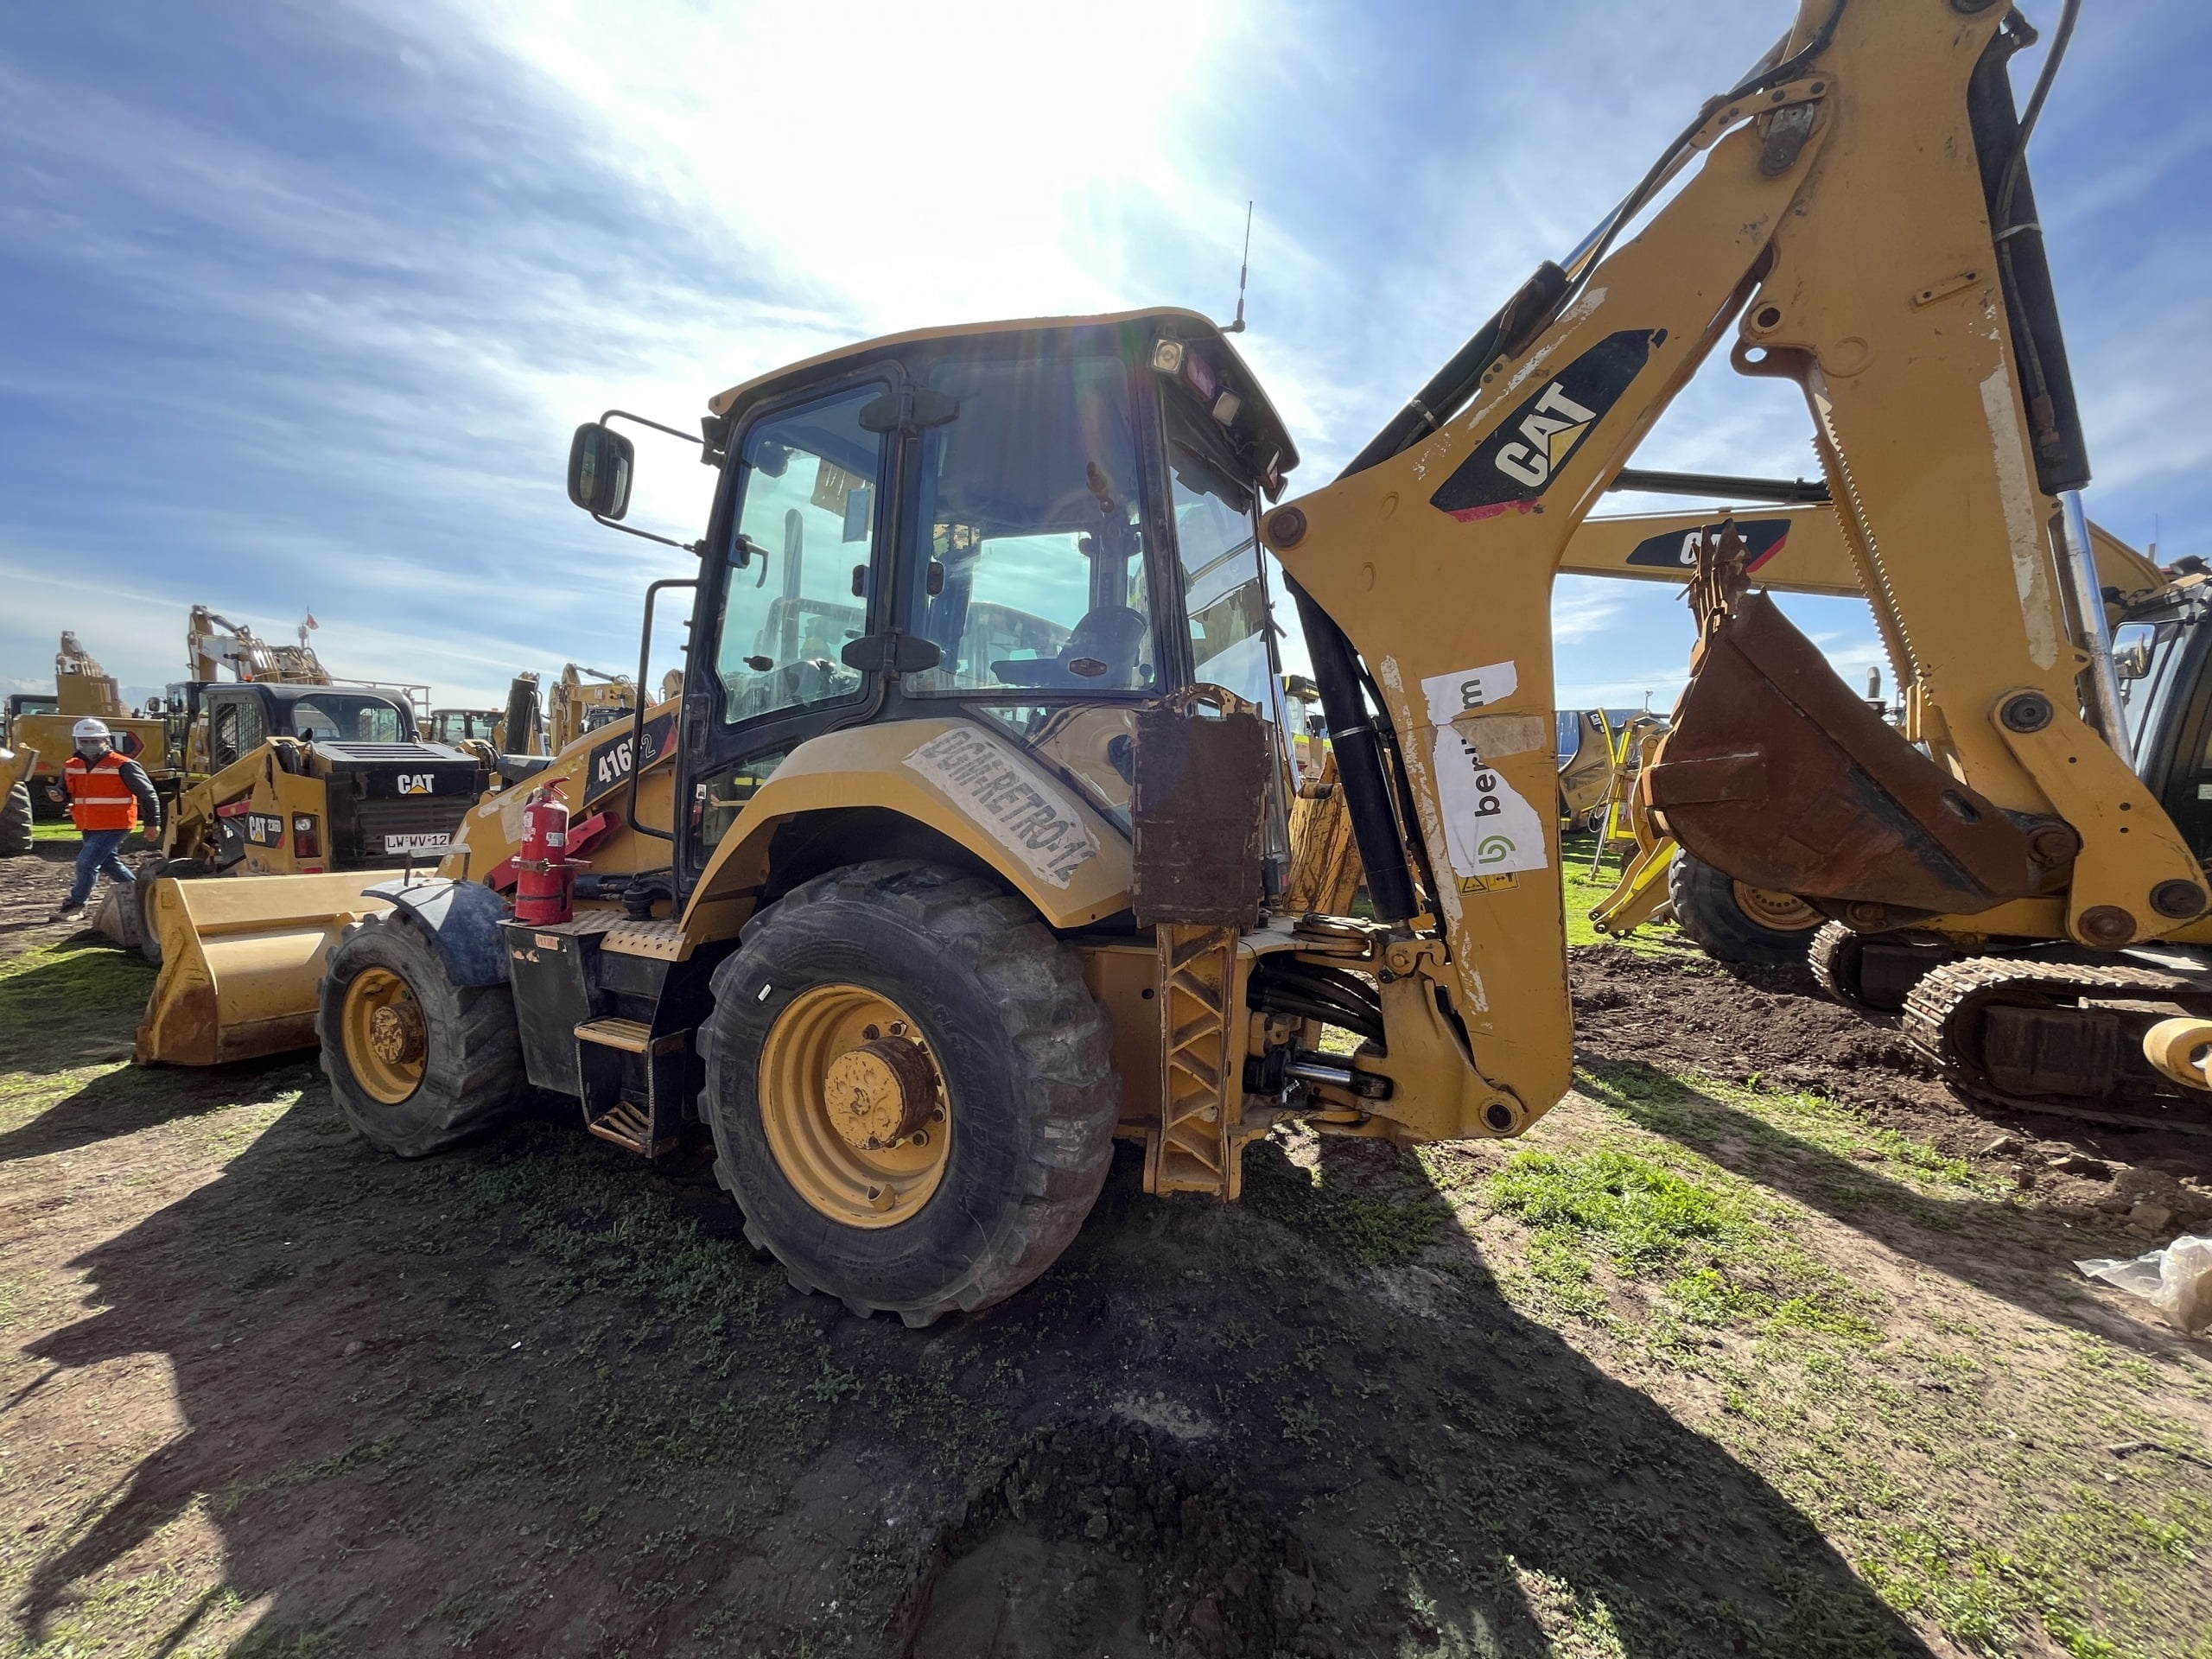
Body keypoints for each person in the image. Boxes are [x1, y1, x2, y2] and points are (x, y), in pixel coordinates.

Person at [49, 718, 163, 925]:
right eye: (84, 741)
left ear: (106, 740)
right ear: (77, 742)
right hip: (89, 824)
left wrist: (152, 823)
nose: (89, 745)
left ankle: (76, 904)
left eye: (94, 740)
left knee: (87, 862)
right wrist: (59, 795)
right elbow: (65, 790)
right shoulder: (72, 766)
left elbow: (148, 795)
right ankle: (144, 895)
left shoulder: (123, 765)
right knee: (109, 863)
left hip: (115, 824)